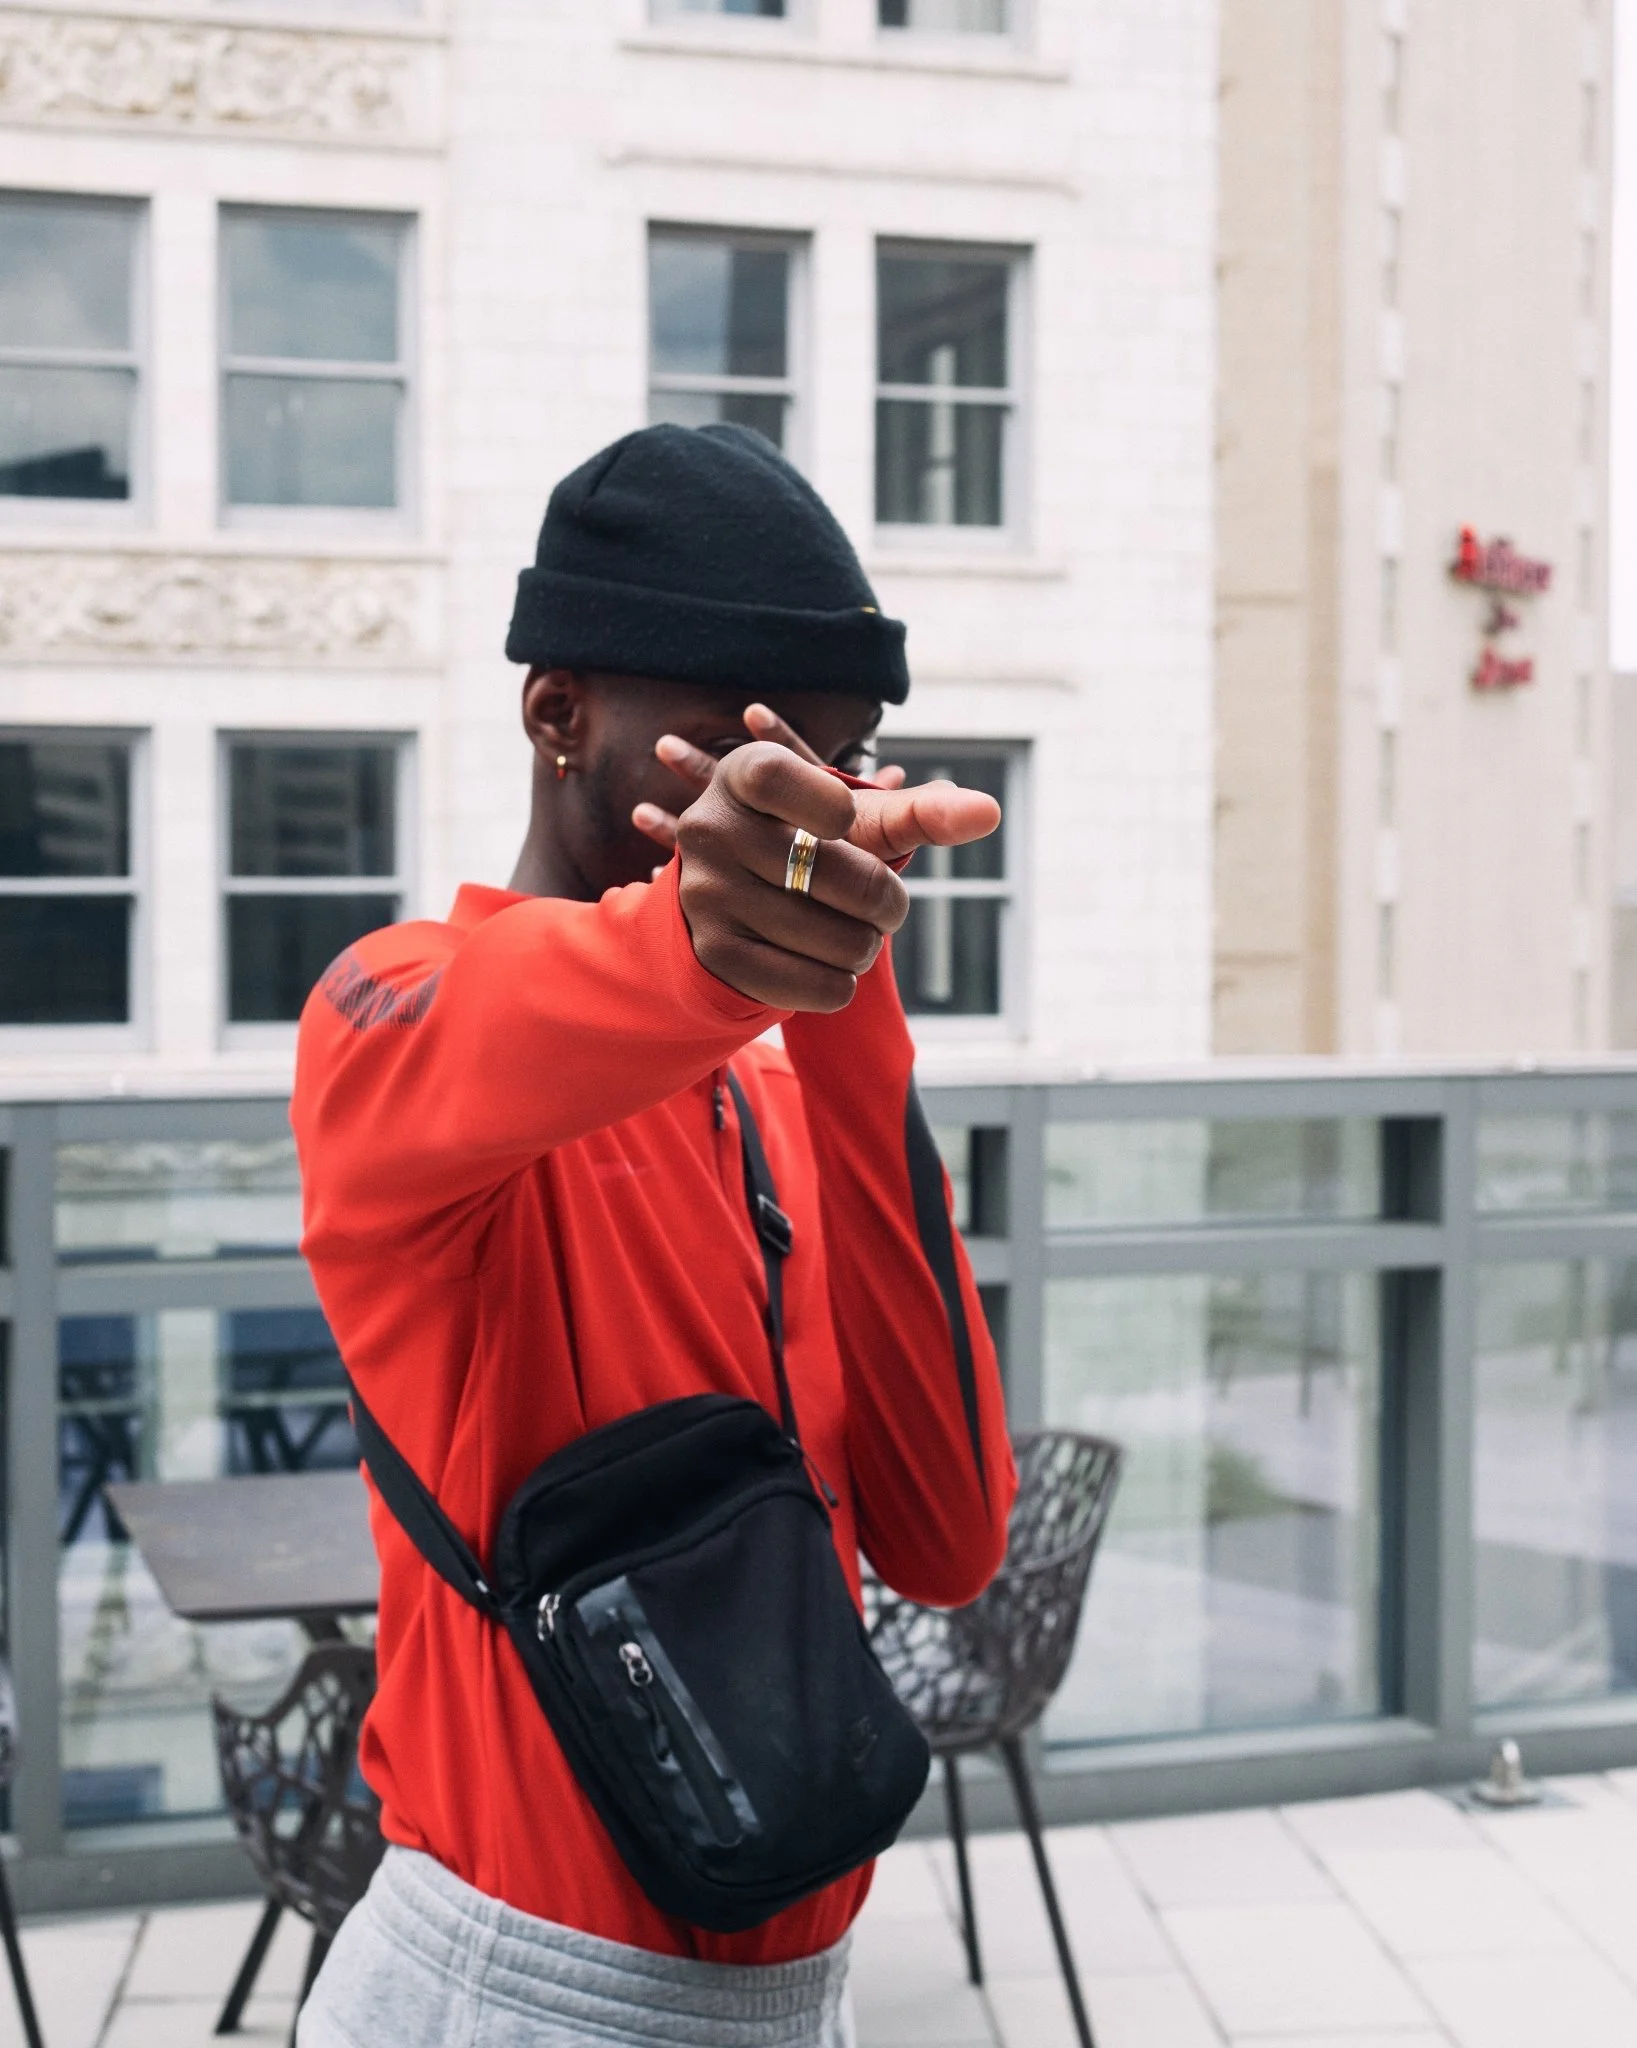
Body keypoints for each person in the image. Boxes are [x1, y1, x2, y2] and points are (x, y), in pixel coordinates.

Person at [292, 423, 1016, 2047]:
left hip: (791, 2004)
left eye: (839, 767)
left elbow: (949, 1537)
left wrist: (845, 996)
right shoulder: (386, 1014)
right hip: (512, 1990)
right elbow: (507, 1009)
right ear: (558, 712)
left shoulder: (771, 1094)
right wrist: (715, 933)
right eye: (738, 753)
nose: (797, 810)